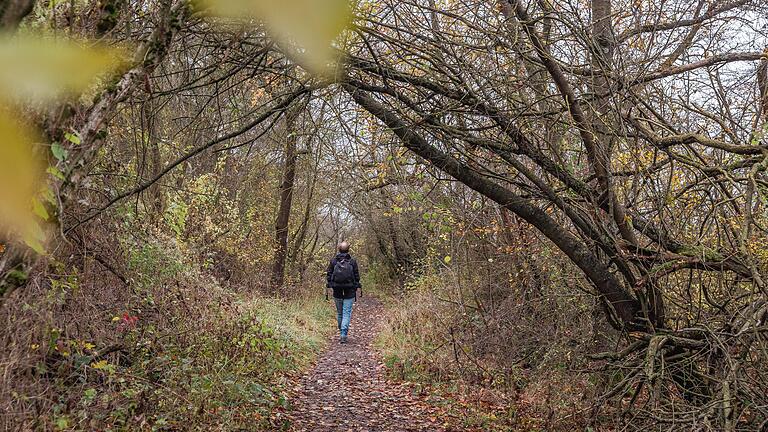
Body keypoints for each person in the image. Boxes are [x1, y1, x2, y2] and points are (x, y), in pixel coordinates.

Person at [326, 241, 361, 343]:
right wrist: (355, 286)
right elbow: (356, 276)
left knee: (340, 313)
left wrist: (331, 285)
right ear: (348, 249)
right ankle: (343, 334)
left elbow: (329, 275)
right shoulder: (352, 262)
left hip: (337, 290)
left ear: (339, 249)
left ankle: (341, 330)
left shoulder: (333, 261)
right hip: (349, 290)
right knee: (346, 313)